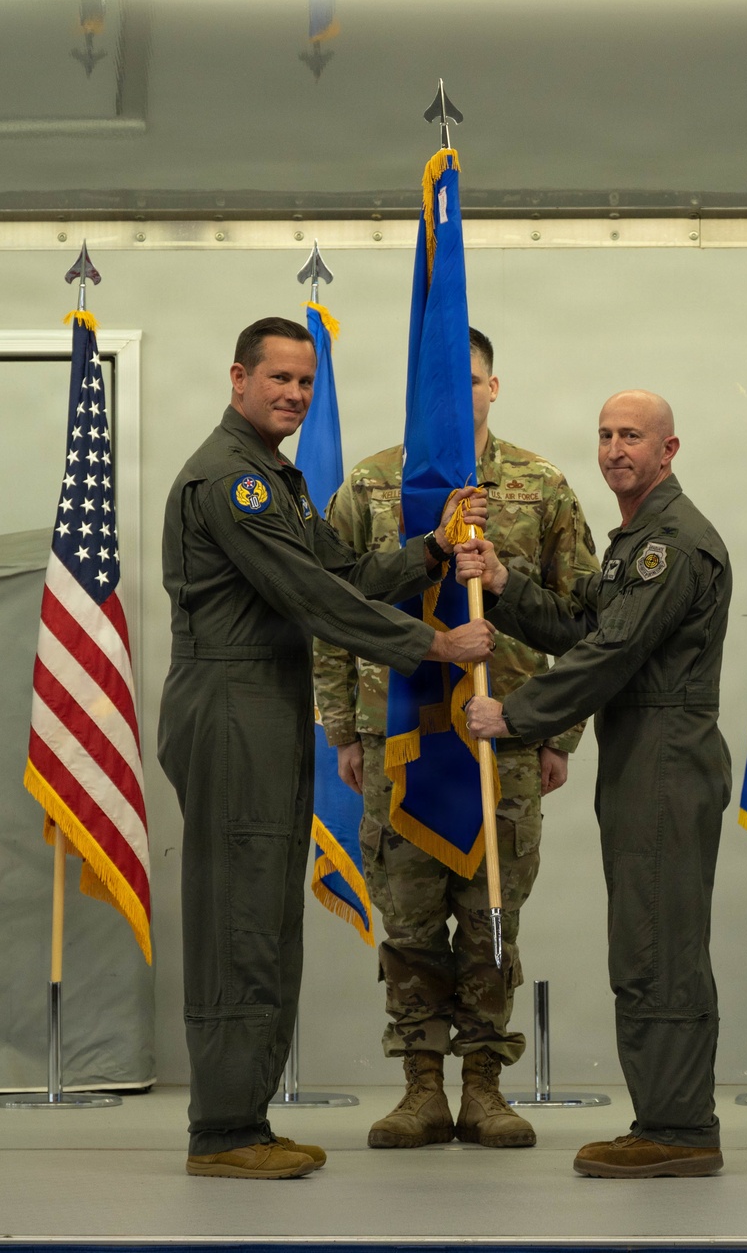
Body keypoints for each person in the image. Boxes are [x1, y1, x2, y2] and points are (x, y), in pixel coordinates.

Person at [157, 316, 494, 1180]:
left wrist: (428, 548)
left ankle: (244, 1119)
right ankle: (223, 1130)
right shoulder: (231, 480)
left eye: (306, 382)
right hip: (232, 701)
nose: (296, 396)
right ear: (238, 378)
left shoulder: (276, 477)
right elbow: (313, 596)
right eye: (280, 380)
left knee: (266, 913)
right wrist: (432, 648)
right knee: (239, 915)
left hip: (265, 700)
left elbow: (341, 572)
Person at [313, 327, 598, 1150]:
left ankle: (483, 1086)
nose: (456, 395)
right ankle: (420, 1088)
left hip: (501, 743)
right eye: (439, 383)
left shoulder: (541, 487)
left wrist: (558, 733)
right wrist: (344, 726)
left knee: (490, 919)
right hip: (396, 745)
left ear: (493, 387)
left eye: (469, 380)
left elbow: (586, 622)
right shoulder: (369, 488)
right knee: (407, 925)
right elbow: (332, 613)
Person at [460, 389, 732, 1178]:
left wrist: (514, 713)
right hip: (642, 749)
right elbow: (587, 627)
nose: (615, 449)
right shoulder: (633, 541)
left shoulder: (670, 544)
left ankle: (679, 1128)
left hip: (666, 753)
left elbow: (609, 655)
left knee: (661, 944)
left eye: (633, 437)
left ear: (668, 451)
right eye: (606, 434)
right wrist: (508, 586)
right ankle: (666, 1117)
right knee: (646, 937)